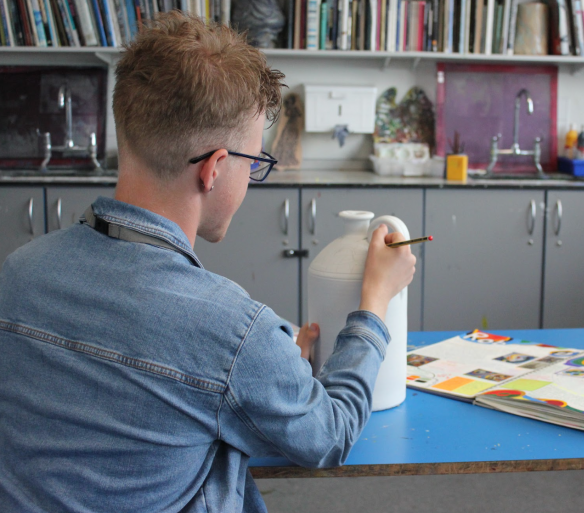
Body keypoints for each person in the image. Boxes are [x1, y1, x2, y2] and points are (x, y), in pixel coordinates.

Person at [0, 11, 416, 513]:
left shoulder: (17, 272)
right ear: (215, 168)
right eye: (254, 163)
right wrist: (374, 304)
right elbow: (329, 435)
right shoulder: (232, 333)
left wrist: (266, 368)